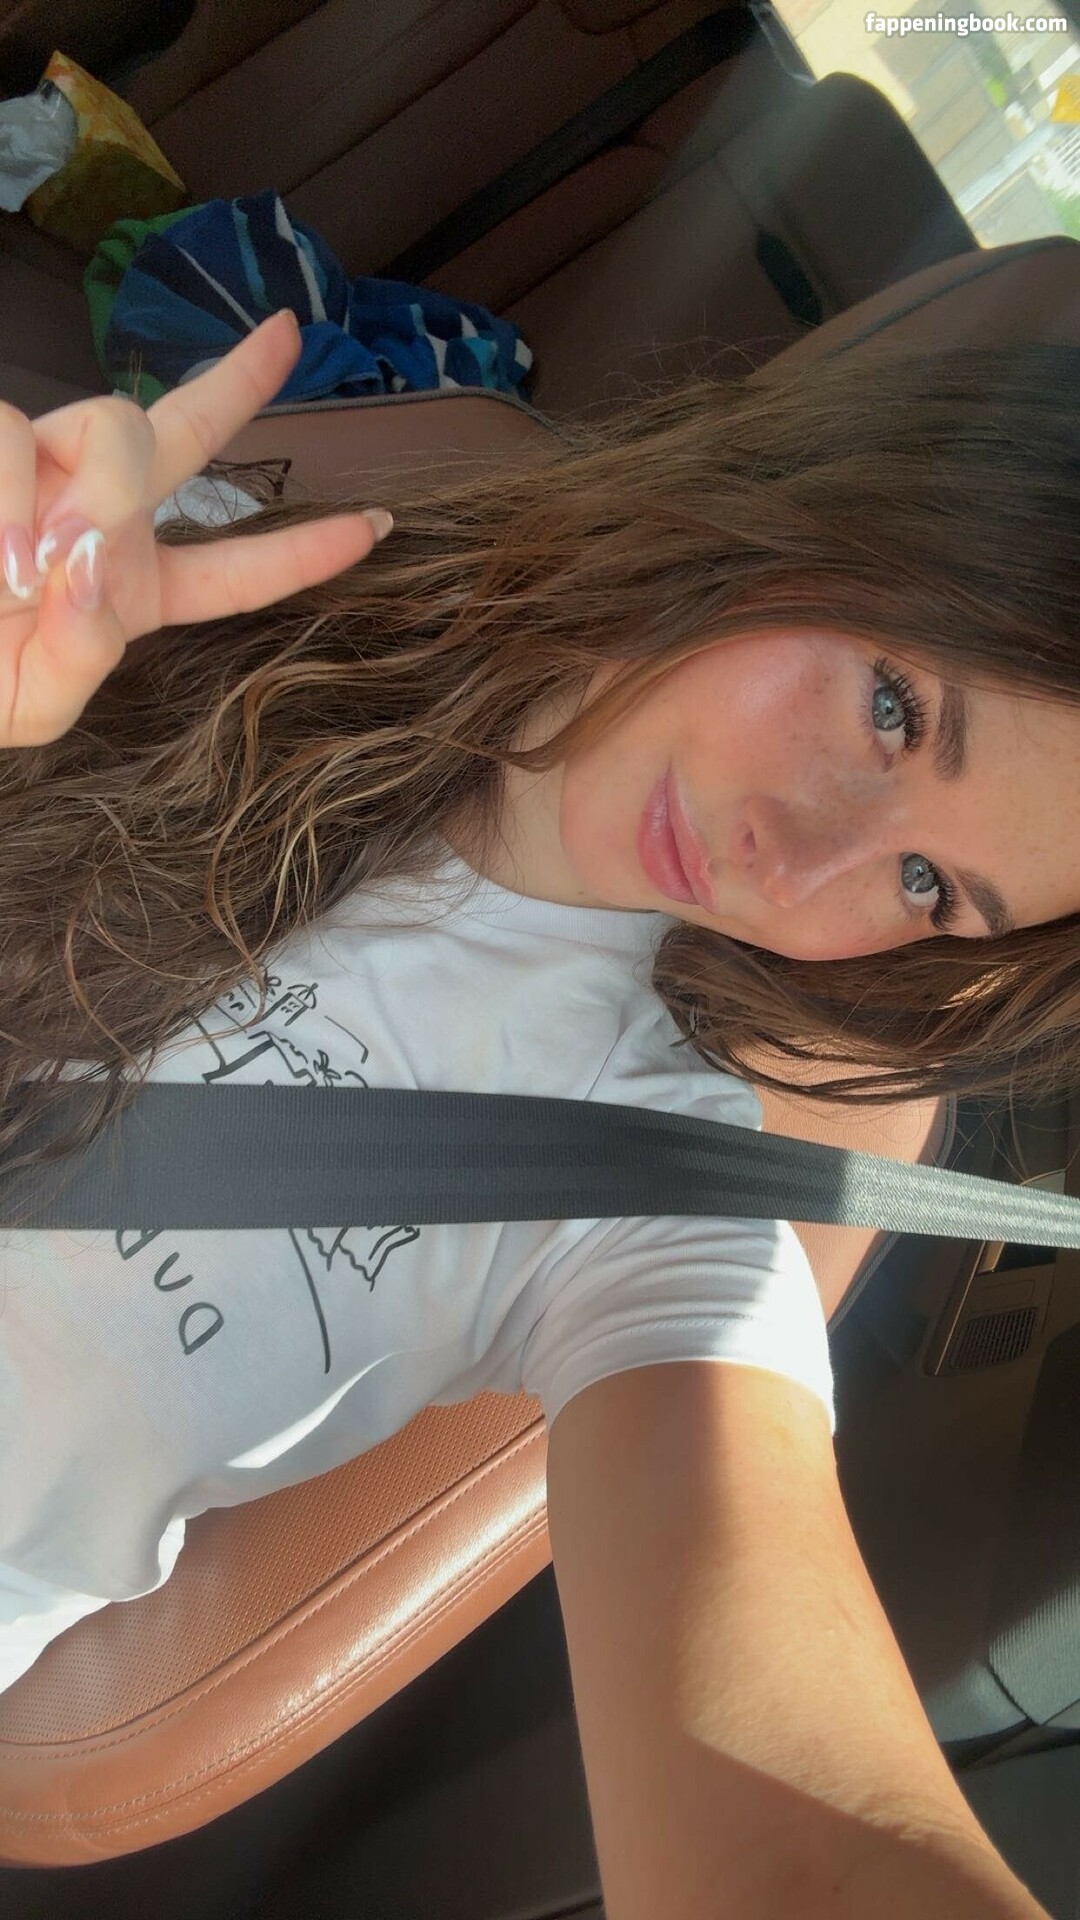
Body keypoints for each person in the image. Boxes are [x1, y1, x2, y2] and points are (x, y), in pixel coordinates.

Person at [0, 307, 1076, 1918]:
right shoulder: (202, 577)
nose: (798, 862)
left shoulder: (653, 1198)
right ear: (833, 508)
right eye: (893, 711)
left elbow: (802, 1852)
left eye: (928, 884)